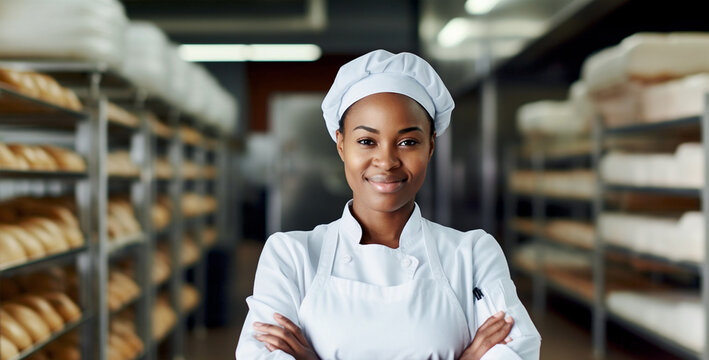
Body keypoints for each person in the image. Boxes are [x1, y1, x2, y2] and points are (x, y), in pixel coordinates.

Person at [235, 49, 541, 359]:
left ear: (431, 145)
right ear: (341, 144)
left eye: (408, 142)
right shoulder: (290, 256)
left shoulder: (473, 254)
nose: (387, 161)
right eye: (367, 141)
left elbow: (517, 352)